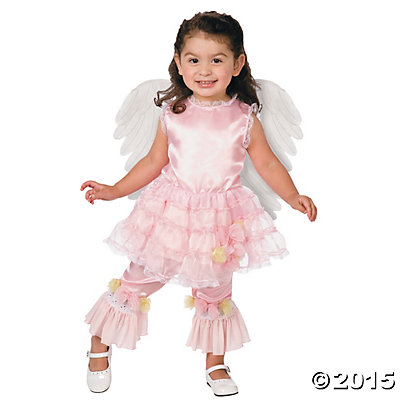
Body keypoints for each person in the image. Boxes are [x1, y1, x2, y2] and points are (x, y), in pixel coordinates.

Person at [81, 11, 317, 396]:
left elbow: (268, 163)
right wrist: (114, 190)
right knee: (140, 277)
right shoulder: (173, 113)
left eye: (216, 60)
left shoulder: (244, 117)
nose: (204, 71)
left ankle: (215, 363)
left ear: (237, 64)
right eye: (194, 60)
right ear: (178, 62)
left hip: (221, 219)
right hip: (171, 214)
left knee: (216, 289)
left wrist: (293, 196)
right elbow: (152, 163)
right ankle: (99, 340)